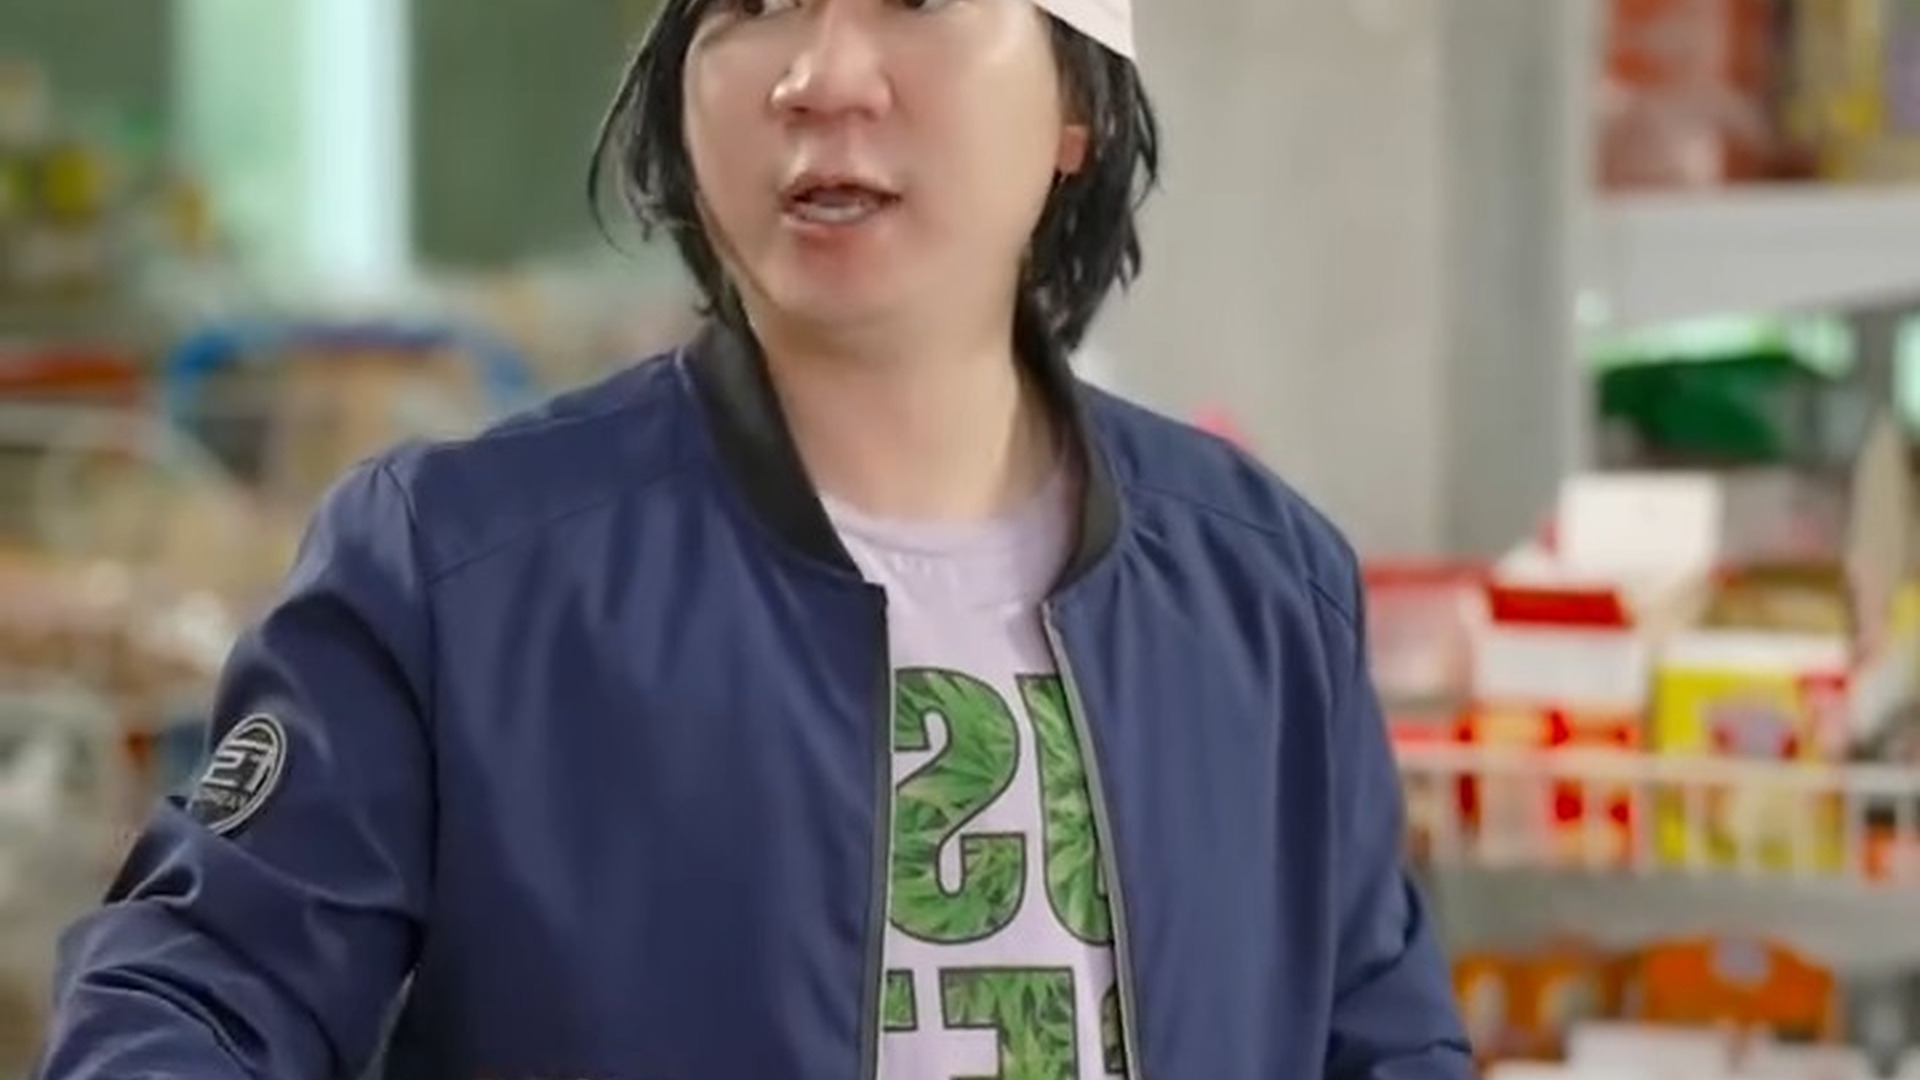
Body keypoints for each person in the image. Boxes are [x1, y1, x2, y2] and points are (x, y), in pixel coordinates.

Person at [36, 0, 1473, 1075]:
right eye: (753, 1)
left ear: (1075, 103)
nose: (820, 75)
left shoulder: (1262, 589)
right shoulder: (460, 573)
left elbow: (1382, 1044)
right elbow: (193, 999)